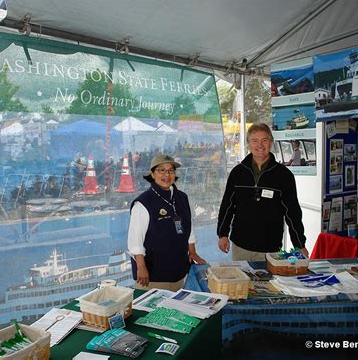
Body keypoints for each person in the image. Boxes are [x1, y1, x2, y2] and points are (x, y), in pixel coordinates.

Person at [217, 123, 308, 261]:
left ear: (271, 142)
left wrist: (299, 244)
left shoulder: (284, 175)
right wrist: (223, 234)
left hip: (270, 248)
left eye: (264, 140)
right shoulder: (237, 173)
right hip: (241, 246)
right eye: (255, 140)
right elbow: (227, 206)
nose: (260, 145)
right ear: (248, 143)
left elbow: (292, 213)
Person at [128, 153, 206, 291]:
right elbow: (135, 240)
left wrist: (192, 252)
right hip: (152, 276)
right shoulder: (143, 203)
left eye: (170, 170)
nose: (167, 175)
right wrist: (141, 267)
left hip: (178, 272)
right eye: (161, 170)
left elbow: (189, 226)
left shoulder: (182, 197)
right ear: (152, 174)